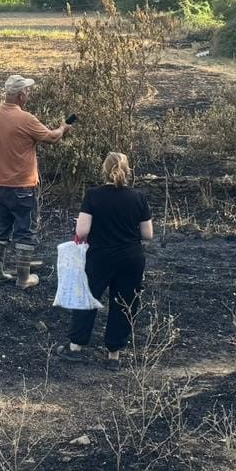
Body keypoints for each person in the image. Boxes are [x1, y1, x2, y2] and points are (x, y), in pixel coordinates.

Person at [0, 73, 70, 288]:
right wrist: (63, 128)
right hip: (23, 186)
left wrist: (0, 149)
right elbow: (52, 138)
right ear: (21, 95)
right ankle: (23, 277)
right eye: (27, 91)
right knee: (25, 231)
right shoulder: (26, 119)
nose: (28, 93)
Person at [57, 151, 153, 368]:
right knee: (124, 303)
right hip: (131, 258)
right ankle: (114, 356)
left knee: (87, 299)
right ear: (127, 171)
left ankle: (75, 347)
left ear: (104, 170)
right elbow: (148, 234)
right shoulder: (138, 197)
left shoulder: (93, 195)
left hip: (99, 257)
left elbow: (81, 232)